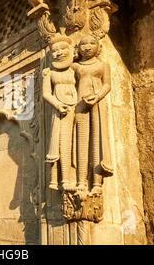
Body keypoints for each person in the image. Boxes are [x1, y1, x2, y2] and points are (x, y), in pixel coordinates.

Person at [72, 35, 113, 196]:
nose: (87, 47)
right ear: (78, 48)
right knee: (81, 142)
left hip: (97, 104)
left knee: (97, 141)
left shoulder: (103, 65)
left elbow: (107, 84)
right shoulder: (75, 67)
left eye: (92, 43)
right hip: (80, 105)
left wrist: (97, 95)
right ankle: (81, 181)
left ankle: (97, 183)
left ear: (98, 47)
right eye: (83, 44)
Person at [43, 35, 77, 192]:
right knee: (59, 142)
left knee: (70, 142)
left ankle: (71, 177)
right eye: (54, 51)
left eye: (62, 49)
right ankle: (62, 180)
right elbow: (46, 94)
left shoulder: (74, 69)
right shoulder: (49, 72)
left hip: (74, 107)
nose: (58, 53)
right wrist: (58, 105)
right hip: (59, 110)